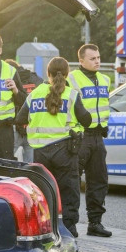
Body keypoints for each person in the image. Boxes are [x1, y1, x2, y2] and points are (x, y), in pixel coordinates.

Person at [16, 57, 91, 236]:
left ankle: (46, 236)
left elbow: (19, 119)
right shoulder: (71, 94)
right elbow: (86, 120)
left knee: (44, 195)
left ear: (47, 74)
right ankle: (68, 236)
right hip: (65, 151)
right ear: (66, 74)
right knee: (68, 195)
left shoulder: (34, 94)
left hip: (40, 154)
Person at [69, 44, 112, 238]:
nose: (97, 61)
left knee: (99, 180)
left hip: (97, 136)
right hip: (80, 136)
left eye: (98, 57)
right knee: (73, 181)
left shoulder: (105, 79)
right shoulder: (72, 79)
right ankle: (70, 224)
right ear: (81, 60)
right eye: (93, 58)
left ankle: (95, 223)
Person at [4, 59, 42, 163]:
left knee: (6, 162)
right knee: (30, 164)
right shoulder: (36, 78)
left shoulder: (9, 78)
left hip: (15, 126)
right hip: (33, 126)